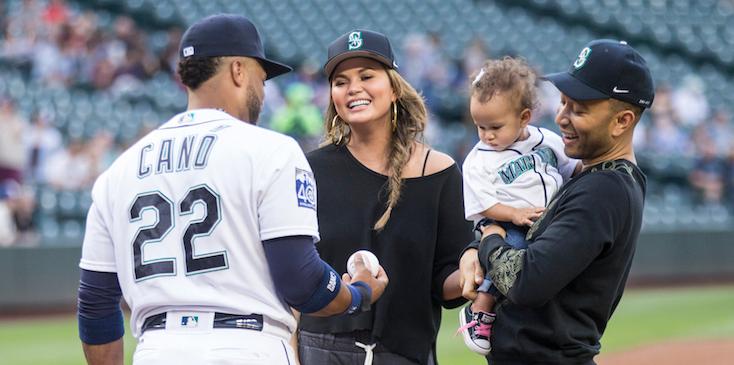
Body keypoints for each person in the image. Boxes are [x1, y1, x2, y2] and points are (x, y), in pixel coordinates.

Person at [76, 14, 388, 365]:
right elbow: (301, 281)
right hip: (246, 346)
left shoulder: (119, 170)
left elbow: (95, 304)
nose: (264, 88)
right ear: (238, 70)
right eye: (261, 75)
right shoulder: (270, 150)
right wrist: (359, 293)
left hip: (156, 349)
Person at [459, 39, 653, 364]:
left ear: (622, 121)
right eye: (563, 103)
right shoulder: (589, 174)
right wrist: (473, 247)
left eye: (579, 109)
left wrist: (490, 235)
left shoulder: (605, 189)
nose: (562, 117)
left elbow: (525, 281)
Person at [297, 29, 474, 365]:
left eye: (367, 76)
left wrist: (475, 272)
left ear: (393, 88)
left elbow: (447, 284)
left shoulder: (440, 173)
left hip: (404, 354)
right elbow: (296, 275)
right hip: (319, 352)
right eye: (341, 81)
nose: (354, 89)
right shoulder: (310, 170)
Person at [457, 57, 580, 355]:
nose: (486, 135)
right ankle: (480, 308)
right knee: (514, 253)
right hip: (508, 223)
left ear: (524, 117)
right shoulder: (479, 159)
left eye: (495, 126)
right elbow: (484, 205)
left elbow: (571, 169)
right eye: (480, 126)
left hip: (546, 220)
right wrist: (513, 214)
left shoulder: (546, 140)